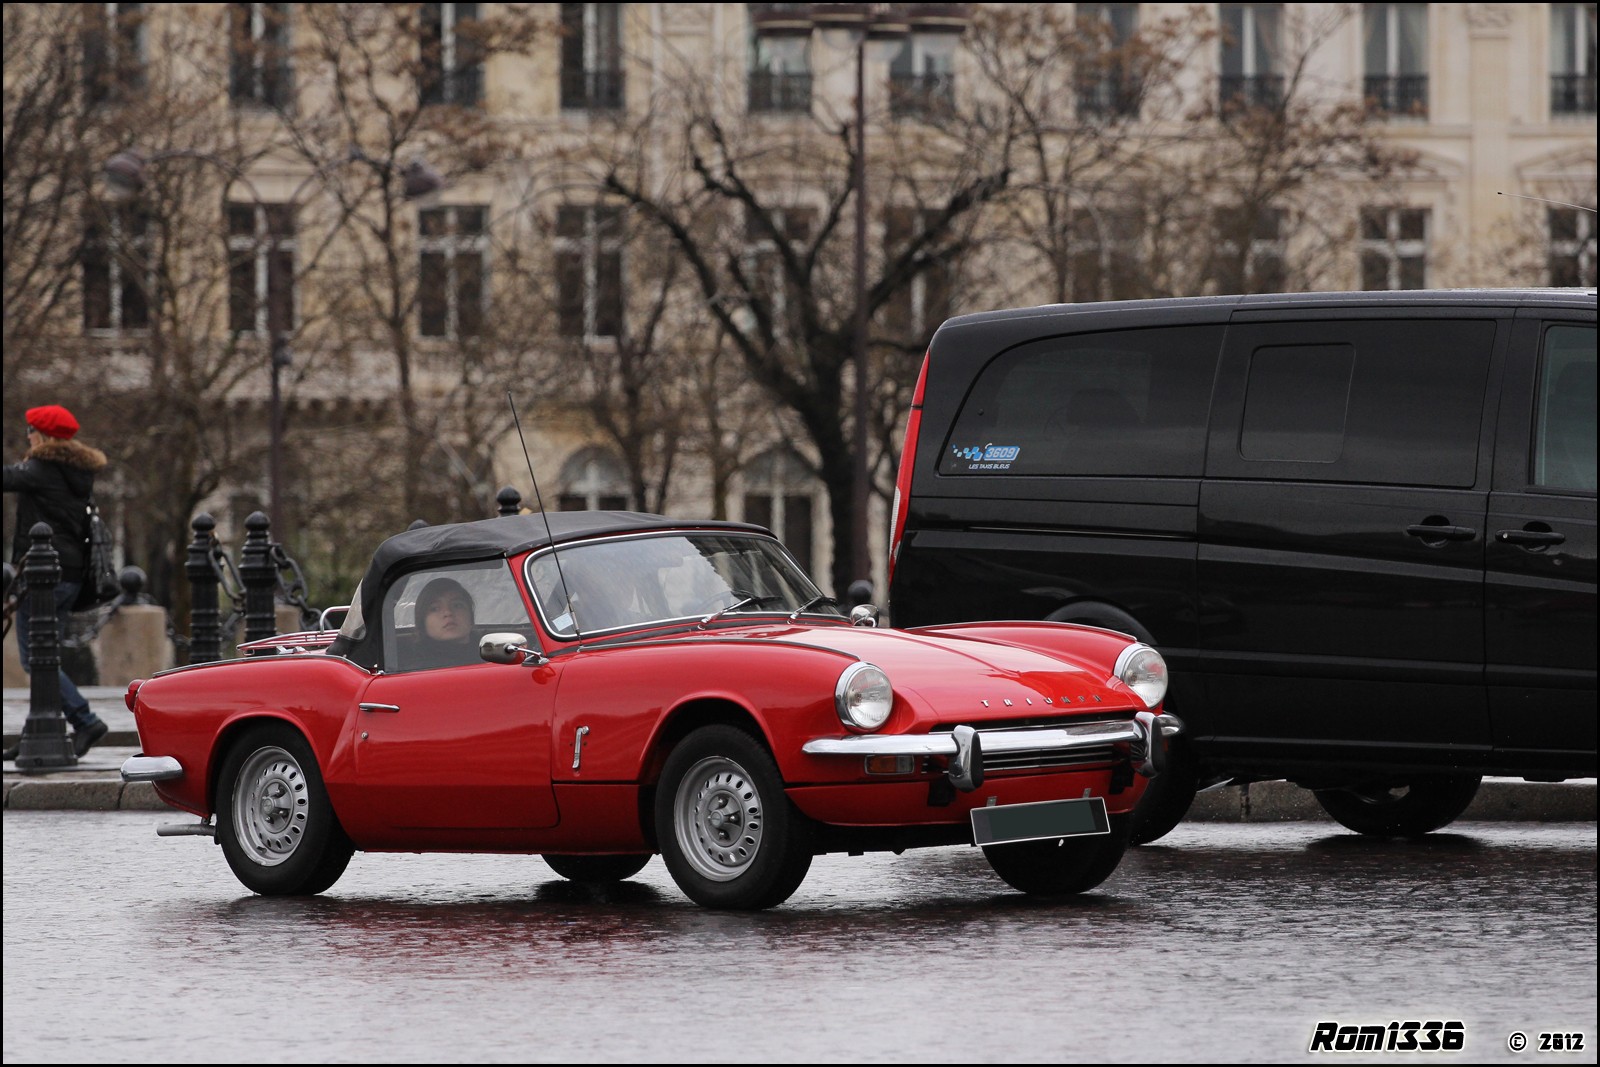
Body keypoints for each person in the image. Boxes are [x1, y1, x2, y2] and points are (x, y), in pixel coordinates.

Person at [4, 405, 111, 759]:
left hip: (42, 577)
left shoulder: (41, 469)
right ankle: (39, 725)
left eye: (30, 431)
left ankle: (84, 720)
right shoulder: (77, 471)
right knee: (46, 655)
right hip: (71, 575)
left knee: (36, 659)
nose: (28, 438)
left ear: (44, 436)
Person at [410, 576, 477, 670]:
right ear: (422, 623)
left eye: (457, 605)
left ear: (471, 617)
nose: (448, 612)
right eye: (435, 608)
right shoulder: (417, 670)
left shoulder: (493, 654)